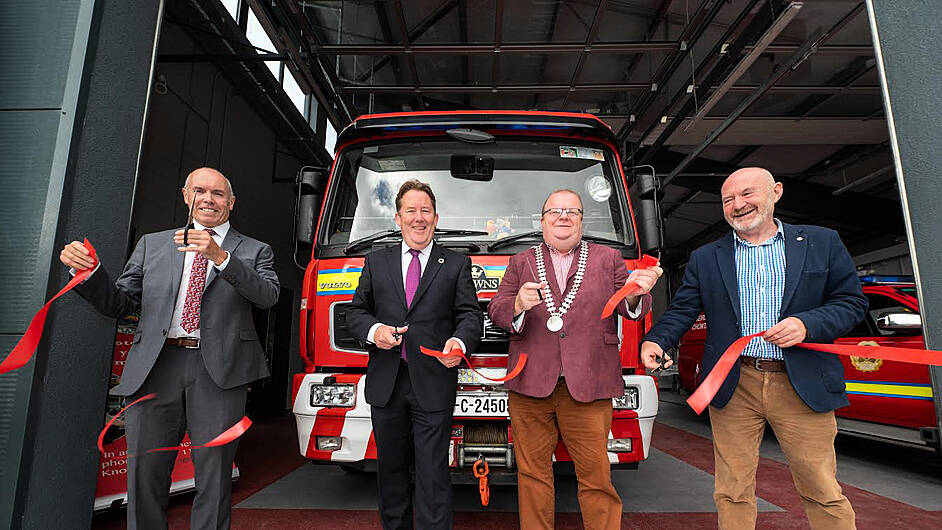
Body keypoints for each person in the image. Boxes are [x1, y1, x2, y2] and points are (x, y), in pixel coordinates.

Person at [641, 167, 866, 529]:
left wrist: (808, 325)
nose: (738, 205)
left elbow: (851, 303)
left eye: (747, 194)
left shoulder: (822, 242)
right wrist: (656, 339)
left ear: (775, 192)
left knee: (820, 487)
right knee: (732, 490)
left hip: (800, 382)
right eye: (728, 199)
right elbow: (683, 309)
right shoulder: (706, 257)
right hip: (734, 383)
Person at [60, 167, 279, 530]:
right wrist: (89, 273)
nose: (208, 199)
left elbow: (268, 296)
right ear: (185, 195)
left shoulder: (255, 250)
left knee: (214, 474)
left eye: (218, 193)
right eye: (199, 191)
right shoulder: (153, 244)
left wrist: (221, 257)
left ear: (231, 202)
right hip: (156, 367)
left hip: (220, 372)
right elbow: (122, 303)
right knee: (145, 473)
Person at [487, 189, 663, 530]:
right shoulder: (520, 262)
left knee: (596, 476)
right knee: (533, 475)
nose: (563, 217)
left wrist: (638, 293)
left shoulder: (609, 259)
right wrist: (518, 305)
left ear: (583, 220)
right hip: (530, 385)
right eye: (555, 211)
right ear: (542, 221)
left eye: (572, 211)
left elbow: (630, 309)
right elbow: (497, 309)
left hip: (590, 383)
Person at [344, 179, 483, 530]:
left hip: (433, 380)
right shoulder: (376, 262)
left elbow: (470, 315)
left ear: (436, 218)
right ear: (397, 217)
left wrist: (459, 343)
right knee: (390, 469)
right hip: (386, 382)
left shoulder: (454, 263)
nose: (418, 218)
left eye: (425, 211)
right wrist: (376, 332)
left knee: (433, 472)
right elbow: (356, 312)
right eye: (411, 211)